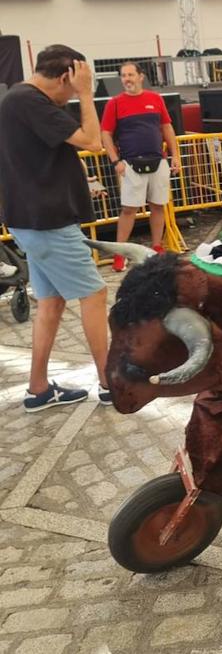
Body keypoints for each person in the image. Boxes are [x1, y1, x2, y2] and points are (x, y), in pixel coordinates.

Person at [0, 45, 110, 411]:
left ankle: (39, 389)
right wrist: (87, 95)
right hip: (47, 221)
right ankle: (110, 383)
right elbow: (93, 142)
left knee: (51, 302)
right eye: (76, 83)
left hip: (33, 220)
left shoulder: (21, 100)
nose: (75, 92)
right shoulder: (29, 101)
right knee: (94, 294)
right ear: (66, 77)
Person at [100, 63, 181, 272]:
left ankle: (157, 246)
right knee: (129, 209)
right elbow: (106, 133)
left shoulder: (155, 99)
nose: (127, 79)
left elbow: (166, 127)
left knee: (158, 205)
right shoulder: (114, 104)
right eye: (123, 75)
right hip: (130, 164)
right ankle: (120, 253)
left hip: (158, 161)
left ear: (140, 77)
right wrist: (116, 161)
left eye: (130, 74)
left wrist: (175, 155)